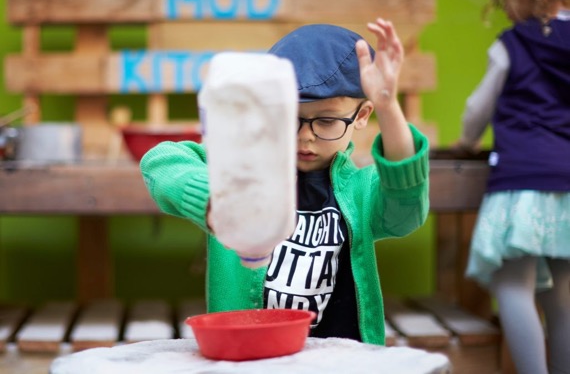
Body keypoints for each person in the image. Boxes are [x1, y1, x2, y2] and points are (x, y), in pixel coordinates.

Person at [140, 18, 430, 345]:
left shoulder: (361, 191)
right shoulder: (240, 172)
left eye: (327, 120)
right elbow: (160, 162)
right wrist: (216, 199)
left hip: (341, 362)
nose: (305, 137)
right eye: (290, 118)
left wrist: (389, 106)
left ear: (361, 116)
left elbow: (405, 209)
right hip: (248, 359)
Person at [455, 0, 570, 373]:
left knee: (512, 287)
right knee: (563, 299)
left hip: (522, 181)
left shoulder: (513, 43)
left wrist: (467, 140)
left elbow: (478, 108)